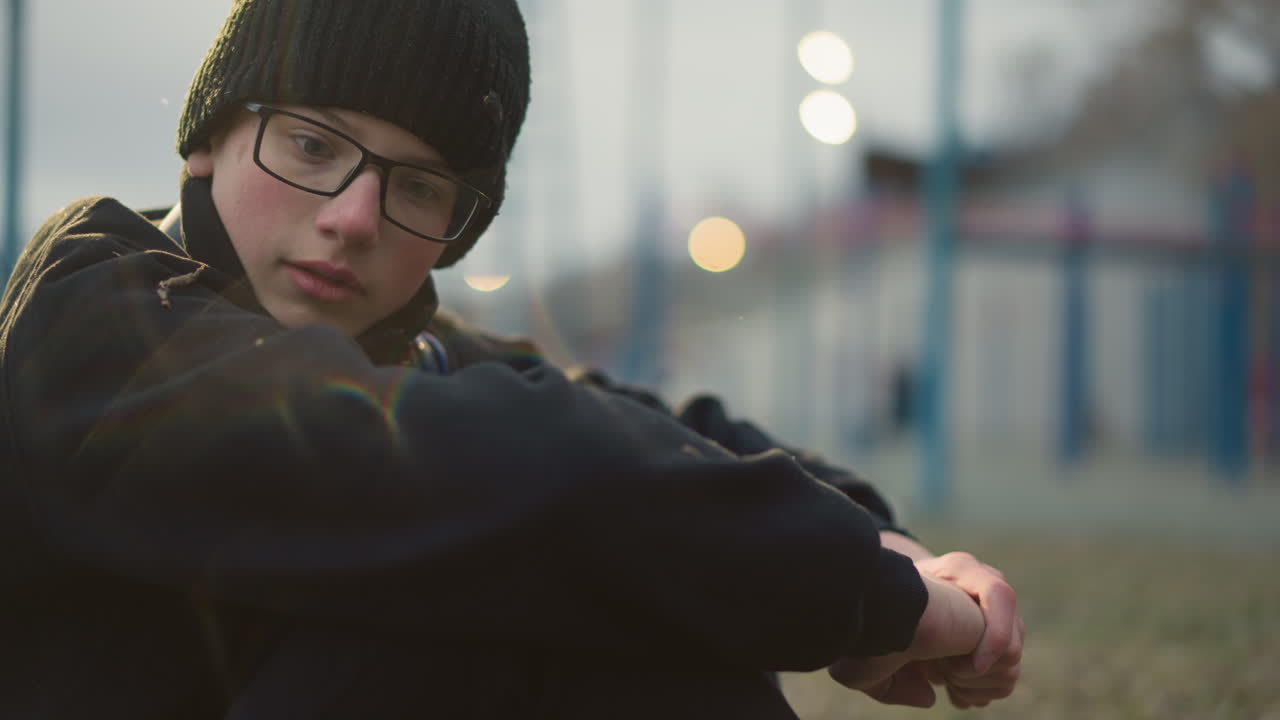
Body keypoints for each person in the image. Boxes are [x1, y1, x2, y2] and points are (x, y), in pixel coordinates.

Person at [0, 1, 1022, 717]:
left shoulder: (396, 352)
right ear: (205, 141)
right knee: (502, 558)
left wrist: (895, 555)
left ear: (455, 229)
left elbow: (637, 425)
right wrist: (859, 599)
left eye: (416, 186)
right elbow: (531, 474)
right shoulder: (92, 318)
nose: (354, 217)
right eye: (312, 147)